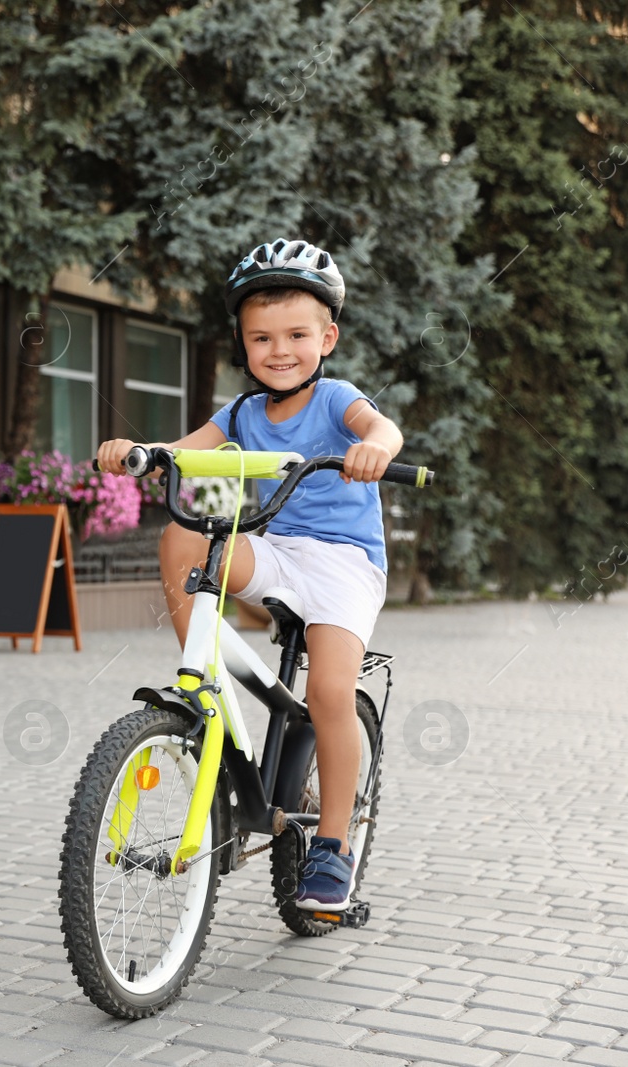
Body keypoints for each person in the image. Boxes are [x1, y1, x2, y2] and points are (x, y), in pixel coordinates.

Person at [95, 238, 405, 912]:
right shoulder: (240, 414)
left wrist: (374, 450)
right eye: (262, 337)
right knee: (184, 534)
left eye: (296, 334)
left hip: (345, 564)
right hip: (278, 549)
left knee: (327, 689)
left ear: (327, 337)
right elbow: (182, 451)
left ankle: (332, 844)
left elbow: (381, 427)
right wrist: (140, 453)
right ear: (242, 340)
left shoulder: (336, 399)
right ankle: (198, 680)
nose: (280, 349)